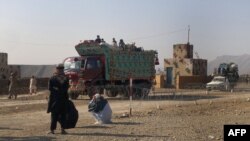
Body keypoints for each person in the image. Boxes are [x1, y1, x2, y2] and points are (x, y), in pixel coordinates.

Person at [47, 64, 69, 134]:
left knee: (54, 115)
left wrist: (56, 89)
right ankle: (62, 129)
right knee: (63, 115)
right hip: (63, 99)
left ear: (57, 69)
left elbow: (50, 88)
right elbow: (66, 88)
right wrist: (60, 90)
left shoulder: (52, 78)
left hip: (55, 100)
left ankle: (52, 130)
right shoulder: (66, 78)